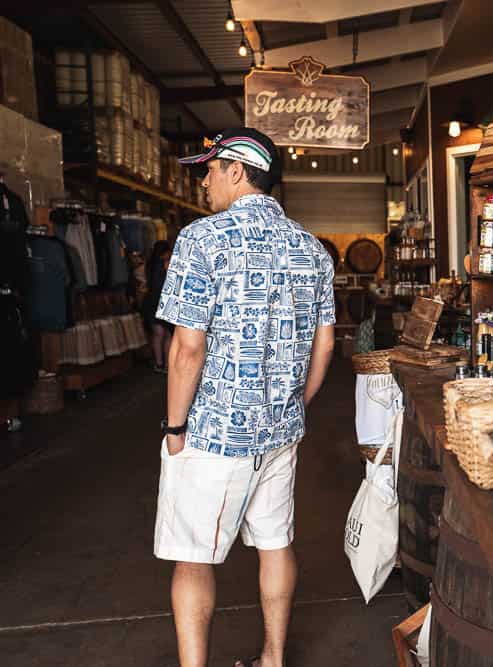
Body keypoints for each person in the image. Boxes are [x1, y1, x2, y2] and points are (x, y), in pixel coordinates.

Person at [153, 128, 336, 667]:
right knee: (275, 541)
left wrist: (174, 427)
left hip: (213, 432)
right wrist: (295, 403)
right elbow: (325, 343)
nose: (203, 179)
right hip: (281, 430)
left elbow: (188, 348)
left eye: (209, 168)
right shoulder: (311, 248)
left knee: (191, 560)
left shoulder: (201, 240)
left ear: (236, 170)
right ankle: (274, 659)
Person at [143, 240, 173, 373]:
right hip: (162, 302)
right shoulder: (163, 265)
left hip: (152, 302)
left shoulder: (150, 265)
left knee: (159, 334)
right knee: (165, 334)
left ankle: (161, 364)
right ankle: (166, 364)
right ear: (164, 252)